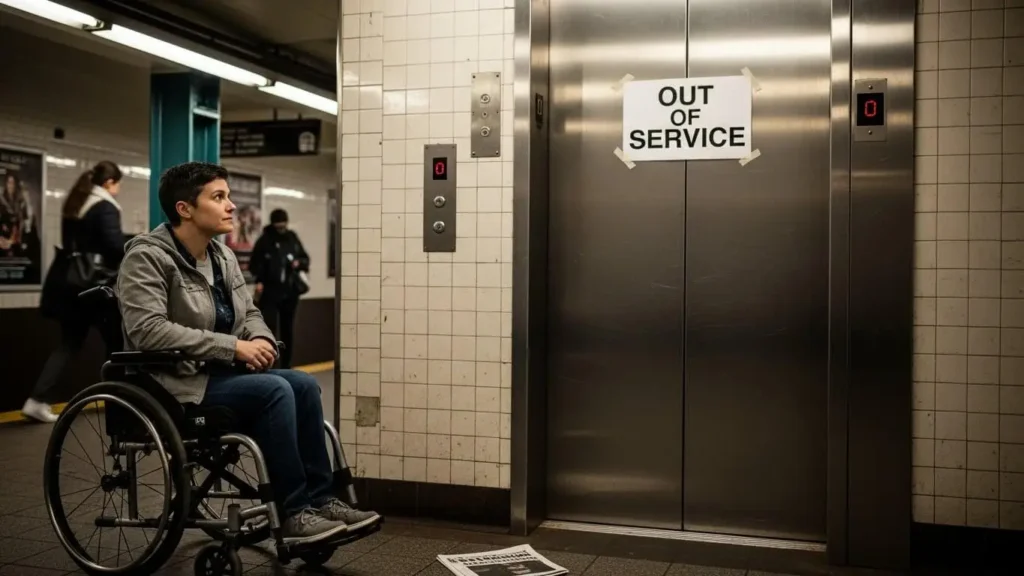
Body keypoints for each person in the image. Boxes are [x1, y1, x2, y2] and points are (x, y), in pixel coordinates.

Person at [117, 161, 378, 544]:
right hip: (176, 383)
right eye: (218, 197)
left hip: (222, 375)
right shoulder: (147, 258)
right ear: (184, 209)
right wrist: (234, 347)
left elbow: (250, 313)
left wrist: (263, 341)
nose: (231, 206)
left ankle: (323, 500)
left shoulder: (221, 257)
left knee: (303, 385)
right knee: (274, 391)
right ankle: (294, 513)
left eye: (228, 196)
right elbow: (147, 330)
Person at [23, 161, 125, 423]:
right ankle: (121, 397)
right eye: (117, 184)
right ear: (109, 182)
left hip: (70, 283)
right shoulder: (105, 207)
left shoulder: (77, 202)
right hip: (93, 285)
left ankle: (37, 400)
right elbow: (113, 247)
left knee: (69, 343)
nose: (118, 189)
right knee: (118, 342)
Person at [249, 208, 309, 369]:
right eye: (279, 226)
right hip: (270, 293)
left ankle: (286, 365)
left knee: (287, 330)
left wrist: (298, 263)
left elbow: (305, 259)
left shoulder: (292, 238)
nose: (282, 229)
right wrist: (260, 279)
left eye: (284, 225)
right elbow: (254, 265)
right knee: (268, 329)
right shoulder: (265, 240)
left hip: (290, 292)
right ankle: (270, 364)